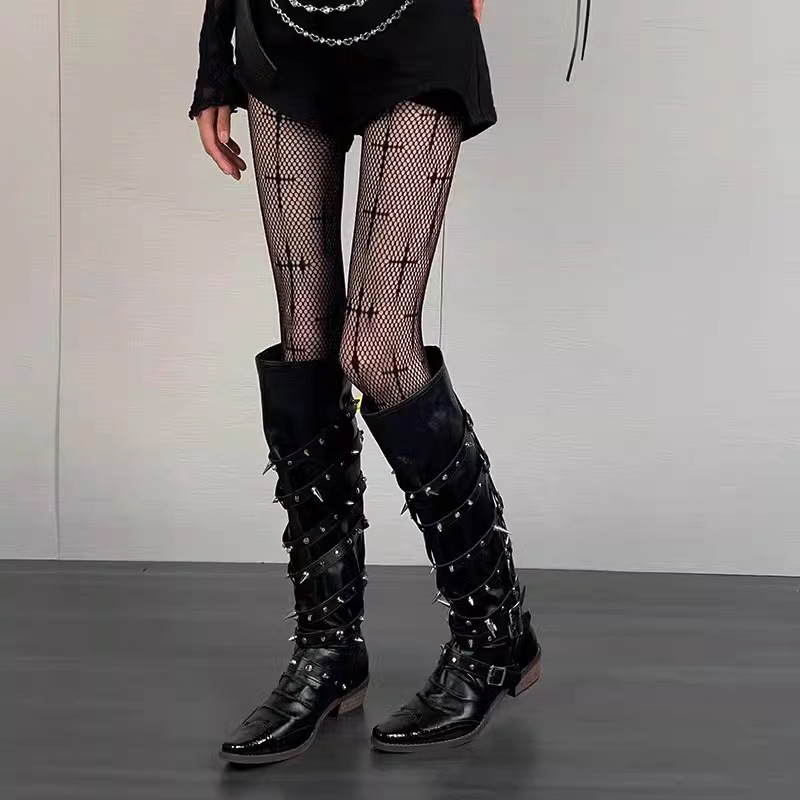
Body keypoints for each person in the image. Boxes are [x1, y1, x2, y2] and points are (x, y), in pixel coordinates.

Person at [189, 0, 549, 764]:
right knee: (307, 345)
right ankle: (328, 651)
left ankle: (495, 634)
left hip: (413, 33)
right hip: (283, 37)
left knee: (379, 351)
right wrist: (215, 61)